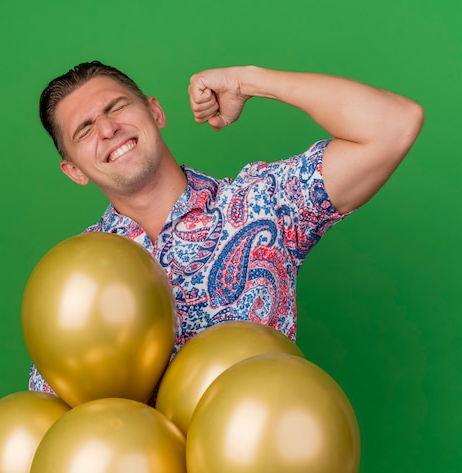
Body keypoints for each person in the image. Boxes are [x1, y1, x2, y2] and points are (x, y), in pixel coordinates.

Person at [28, 60, 423, 394]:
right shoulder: (73, 281)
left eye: (117, 107)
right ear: (74, 170)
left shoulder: (262, 205)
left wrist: (246, 80)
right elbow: (55, 423)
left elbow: (395, 124)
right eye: (85, 129)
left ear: (156, 112)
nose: (108, 128)